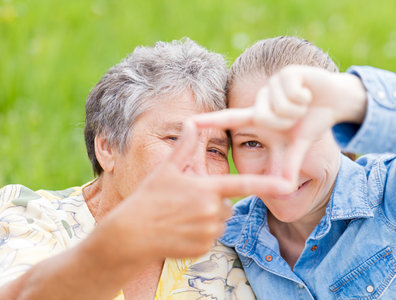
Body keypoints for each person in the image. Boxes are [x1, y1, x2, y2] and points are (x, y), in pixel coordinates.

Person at [0, 38, 290, 300]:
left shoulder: (231, 261)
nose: (199, 169)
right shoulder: (27, 215)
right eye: (174, 139)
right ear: (108, 147)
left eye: (215, 150)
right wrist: (125, 242)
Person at [193, 36, 396, 299]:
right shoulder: (227, 240)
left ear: (339, 127)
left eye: (298, 138)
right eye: (251, 143)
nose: (280, 173)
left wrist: (355, 100)